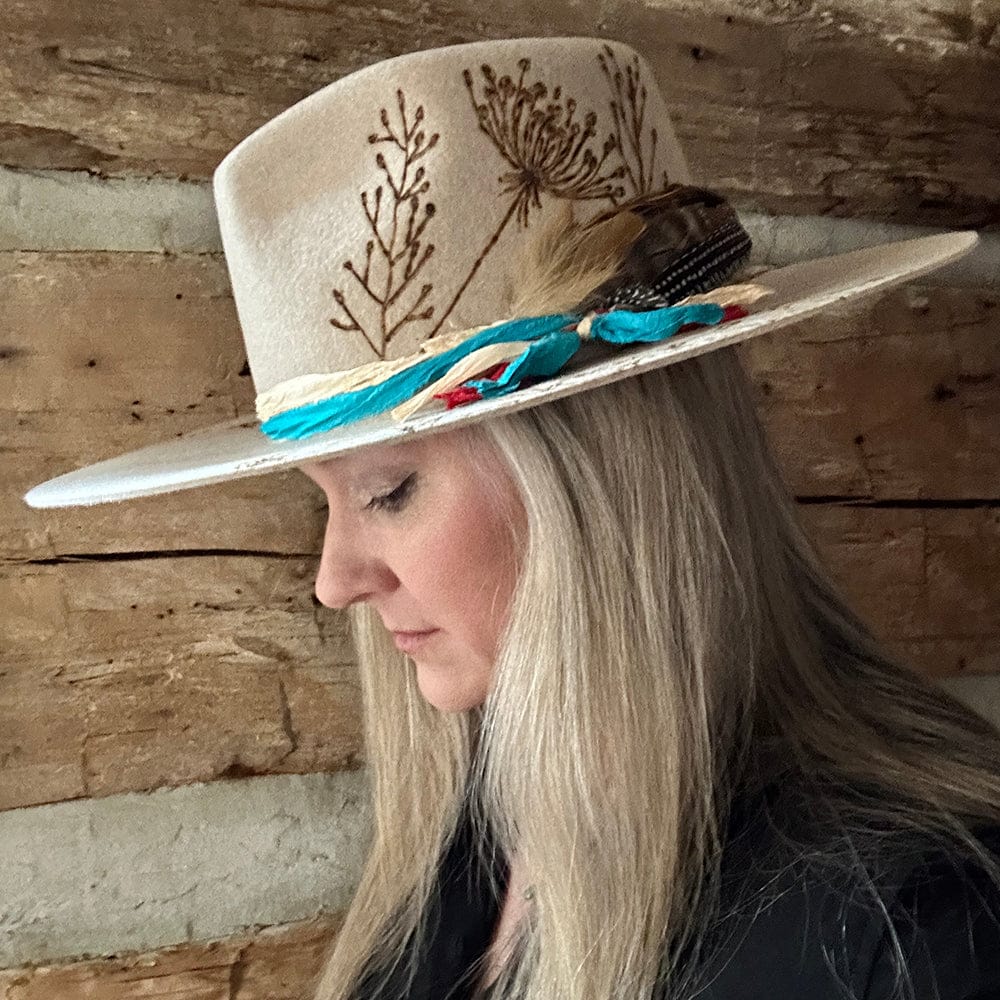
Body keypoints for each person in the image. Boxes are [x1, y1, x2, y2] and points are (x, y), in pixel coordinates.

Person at [23, 36, 998, 1000]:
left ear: (604, 479)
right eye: (326, 498)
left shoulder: (923, 930)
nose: (333, 580)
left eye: (388, 490)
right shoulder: (475, 830)